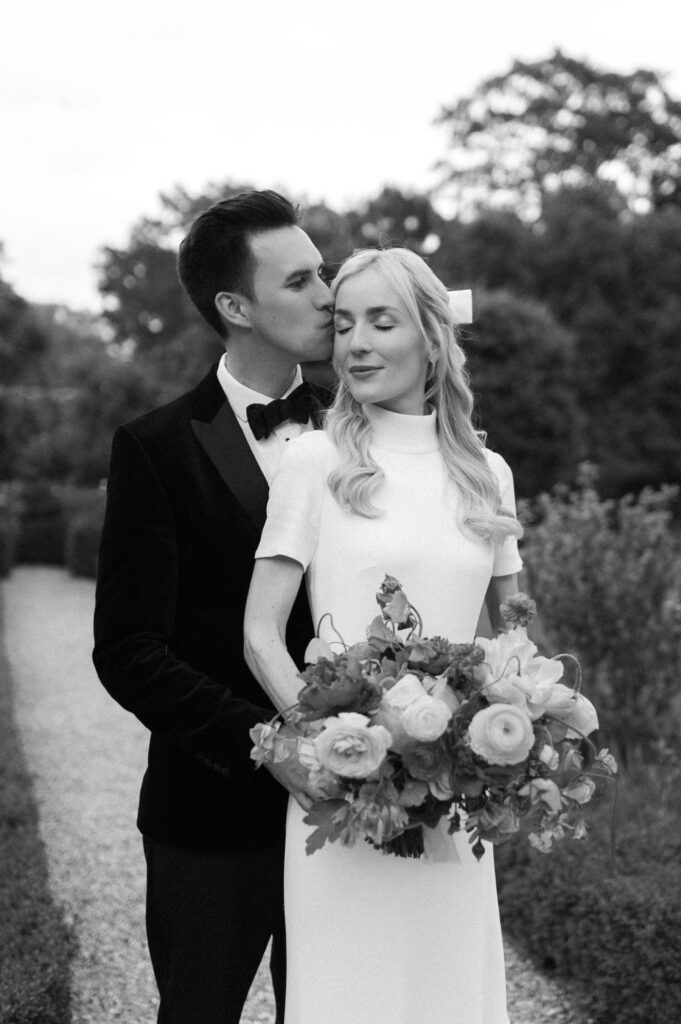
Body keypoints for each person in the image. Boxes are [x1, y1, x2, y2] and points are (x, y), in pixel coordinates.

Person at [244, 246, 524, 1024]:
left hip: (456, 793)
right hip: (344, 790)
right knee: (347, 996)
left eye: (380, 321)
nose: (354, 343)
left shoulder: (487, 475)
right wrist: (317, 741)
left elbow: (510, 640)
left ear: (431, 339)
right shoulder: (315, 459)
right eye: (342, 325)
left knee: (446, 994)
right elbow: (260, 631)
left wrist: (511, 733)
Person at [92, 189, 333, 1024]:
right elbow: (128, 651)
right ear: (235, 306)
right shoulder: (154, 448)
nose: (327, 295)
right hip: (210, 814)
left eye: (323, 273)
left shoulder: (366, 440)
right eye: (299, 281)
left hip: (359, 812)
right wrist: (270, 746)